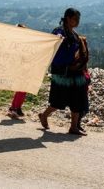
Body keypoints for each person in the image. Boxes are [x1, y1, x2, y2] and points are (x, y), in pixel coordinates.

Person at [38, 8, 89, 136]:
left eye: (78, 19)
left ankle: (73, 127)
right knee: (59, 100)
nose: (77, 21)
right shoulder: (59, 32)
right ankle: (44, 115)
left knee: (78, 98)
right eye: (75, 19)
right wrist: (58, 39)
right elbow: (53, 45)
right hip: (62, 72)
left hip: (74, 71)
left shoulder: (74, 34)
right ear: (67, 18)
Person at [7, 24, 28, 119]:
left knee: (23, 89)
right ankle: (15, 108)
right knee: (21, 89)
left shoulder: (24, 42)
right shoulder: (16, 43)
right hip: (19, 68)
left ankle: (16, 107)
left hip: (24, 67)